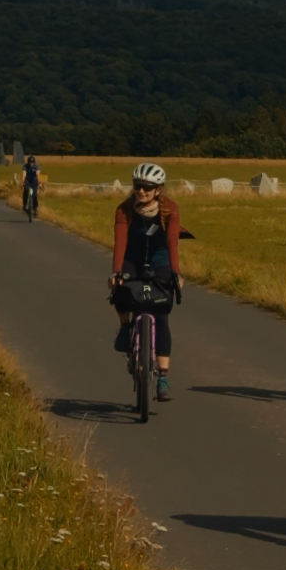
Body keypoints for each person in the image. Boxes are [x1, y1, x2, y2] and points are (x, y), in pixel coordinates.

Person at [109, 162, 183, 402]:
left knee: (161, 315)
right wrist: (116, 272)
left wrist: (175, 273)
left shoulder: (170, 208)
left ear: (158, 190)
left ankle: (162, 378)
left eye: (147, 187)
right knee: (120, 290)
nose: (141, 191)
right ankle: (124, 328)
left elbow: (173, 241)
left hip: (160, 260)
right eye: (138, 186)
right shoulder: (124, 210)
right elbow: (119, 242)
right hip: (132, 259)